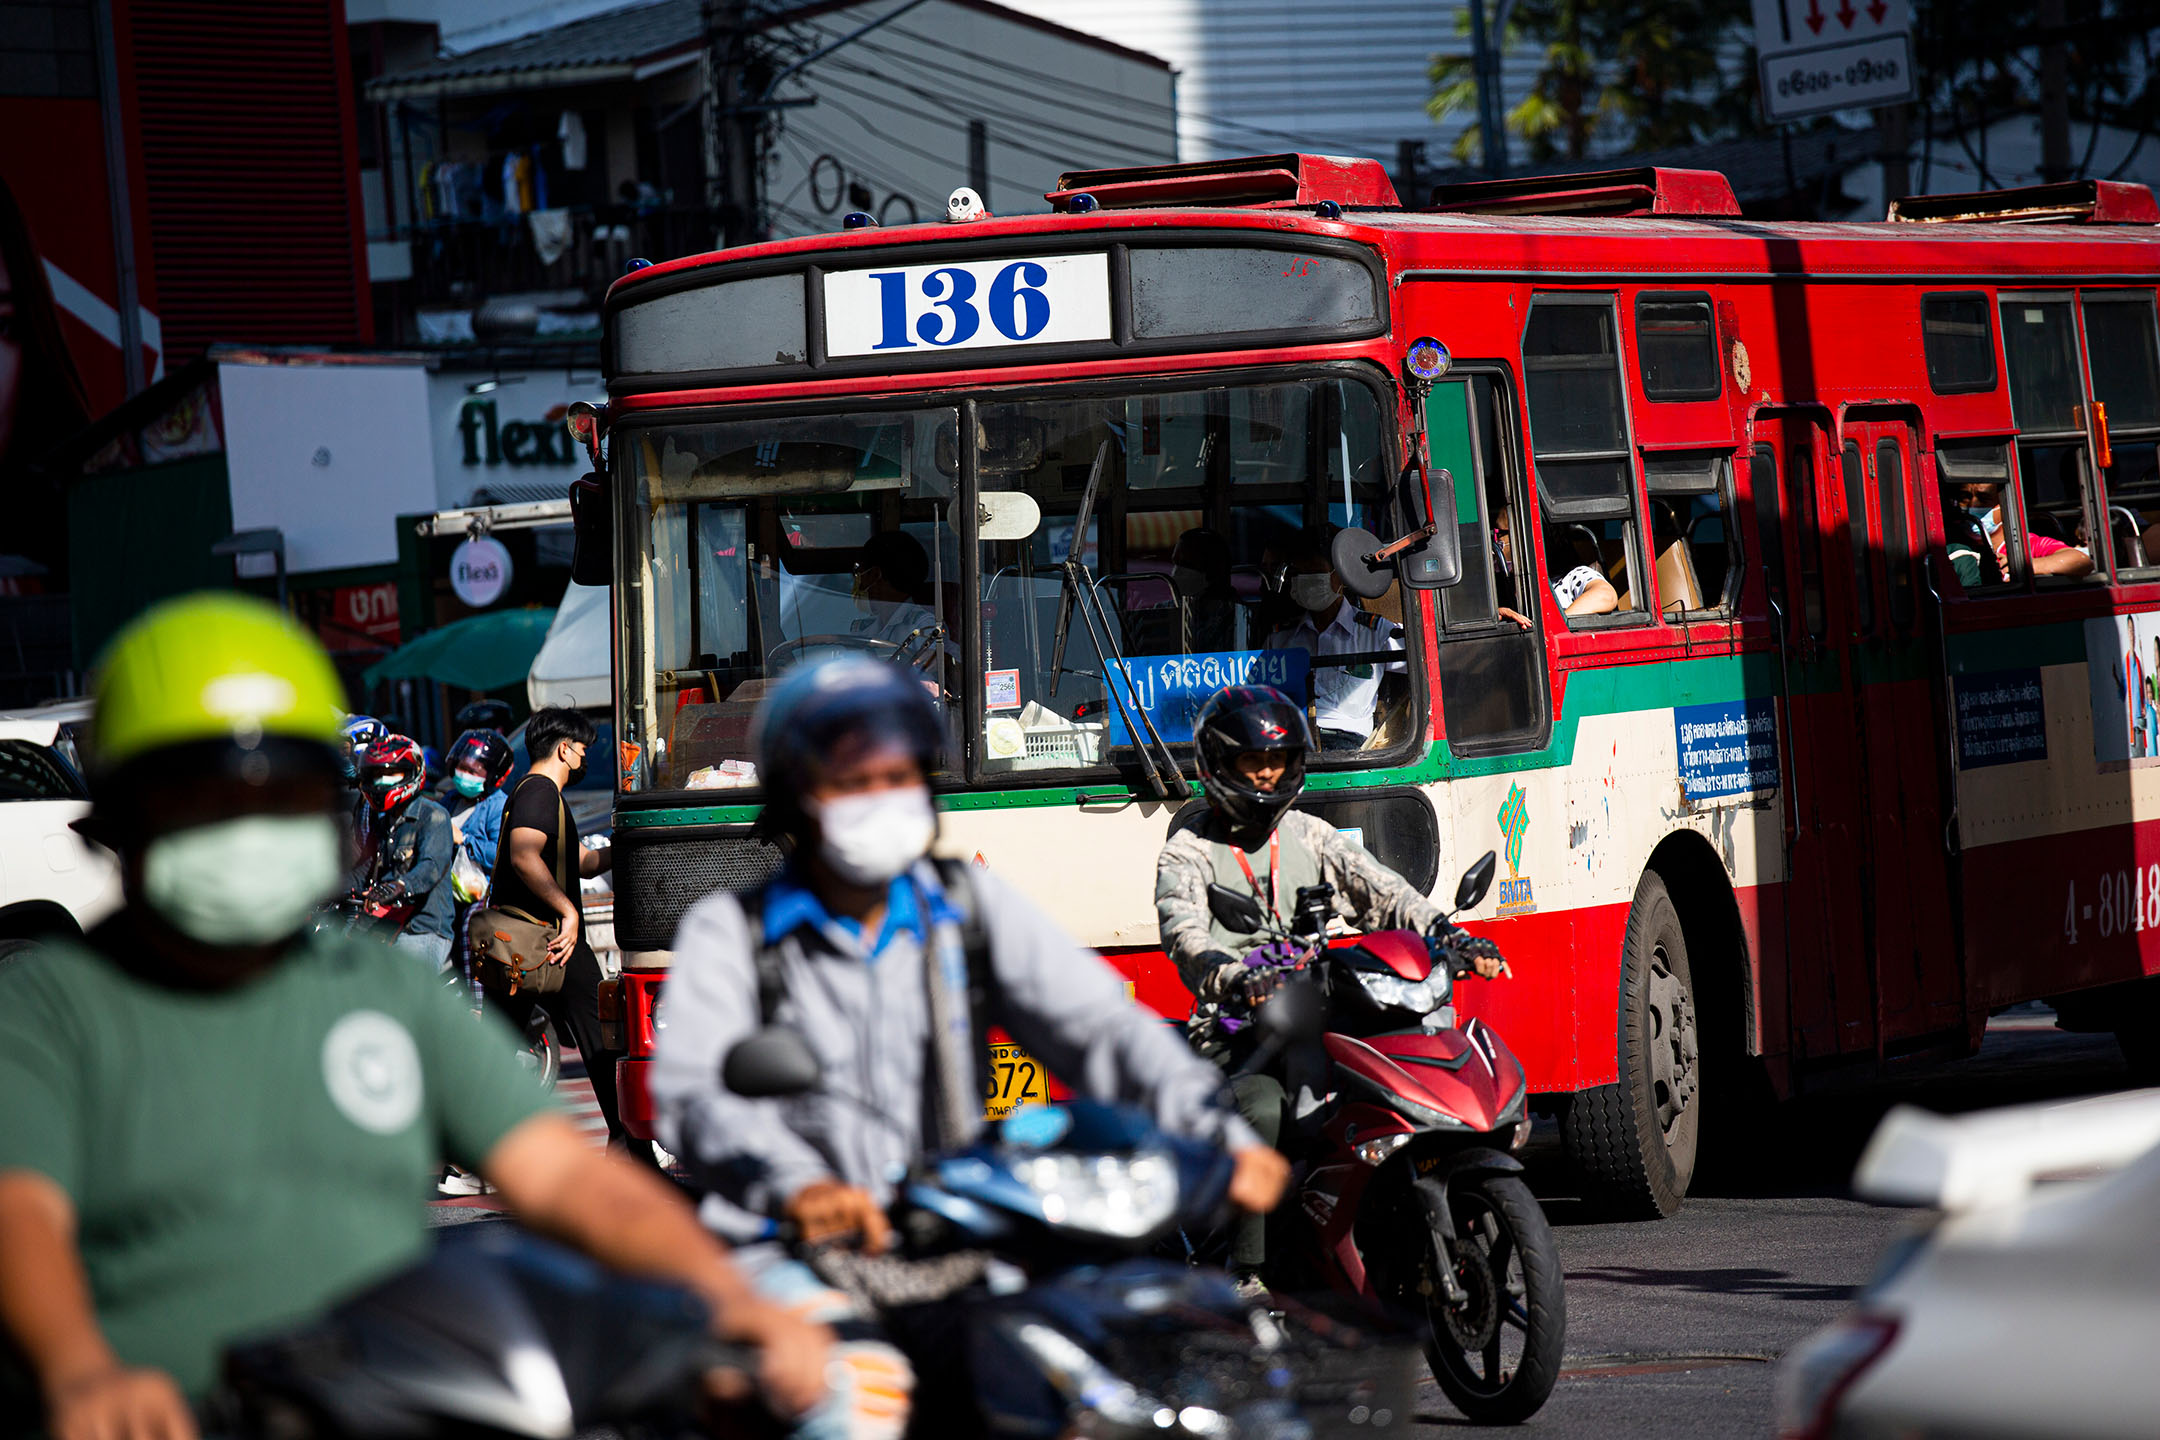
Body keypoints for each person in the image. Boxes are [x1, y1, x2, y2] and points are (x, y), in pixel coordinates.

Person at [0, 592, 830, 1440]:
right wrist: (81, 1369)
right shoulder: (48, 1011)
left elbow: (565, 1177)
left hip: (396, 1398)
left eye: (277, 797)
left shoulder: (372, 990)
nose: (247, 832)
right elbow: (21, 1213)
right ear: (127, 822)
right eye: (207, 802)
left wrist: (728, 1297)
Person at [649, 656, 1289, 1439]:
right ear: (798, 797)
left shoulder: (966, 907)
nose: (881, 800)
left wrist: (1211, 1130)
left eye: (899, 777)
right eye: (854, 782)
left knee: (1107, 1384)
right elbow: (694, 1094)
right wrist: (796, 1184)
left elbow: (1100, 1029)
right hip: (790, 1255)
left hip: (958, 1248)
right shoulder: (732, 933)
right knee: (856, 1403)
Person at [1155, 684, 1505, 1290]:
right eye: (1251, 763)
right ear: (1219, 768)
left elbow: (1383, 894)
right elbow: (1185, 935)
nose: (1266, 776)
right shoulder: (1188, 854)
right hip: (1233, 1030)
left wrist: (1451, 937)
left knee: (1386, 1085)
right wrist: (1237, 976)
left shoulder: (1311, 836)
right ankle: (1249, 1272)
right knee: (1262, 1109)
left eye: (1278, 762)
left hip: (1317, 1013)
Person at [490, 706, 625, 1143]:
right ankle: (630, 1145)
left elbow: (582, 862)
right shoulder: (539, 793)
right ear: (565, 749)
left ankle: (464, 1157)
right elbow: (523, 855)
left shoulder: (537, 793)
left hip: (520, 945)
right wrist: (568, 911)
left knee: (491, 1052)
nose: (585, 759)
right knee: (603, 1043)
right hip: (550, 942)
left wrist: (624, 846)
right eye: (583, 750)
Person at [1264, 526, 1405, 751]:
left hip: (1348, 746)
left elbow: (1426, 659)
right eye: (1300, 573)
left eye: (1314, 571)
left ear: (1339, 576)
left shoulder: (1373, 632)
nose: (1306, 579)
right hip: (1291, 742)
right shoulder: (1280, 638)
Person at [351, 734, 458, 971]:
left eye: (391, 775)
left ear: (412, 773)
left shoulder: (434, 816)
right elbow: (364, 867)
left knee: (393, 984)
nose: (381, 783)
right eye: (376, 776)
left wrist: (399, 886)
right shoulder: (383, 820)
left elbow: (430, 867)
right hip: (386, 921)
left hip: (424, 927)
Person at [1493, 504, 1618, 626]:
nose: (1495, 541)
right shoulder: (1509, 587)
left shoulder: (1571, 578)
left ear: (1523, 538)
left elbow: (1606, 595)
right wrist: (1497, 614)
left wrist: (1556, 624)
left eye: (1499, 534)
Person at [847, 529, 946, 661]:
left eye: (859, 576)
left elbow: (932, 667)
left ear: (875, 575)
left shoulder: (924, 625)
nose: (857, 585)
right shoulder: (863, 629)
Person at [1170, 526, 1239, 654]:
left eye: (1186, 565)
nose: (1175, 573)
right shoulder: (1169, 610)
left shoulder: (1236, 617)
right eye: (1175, 563)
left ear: (1212, 571)